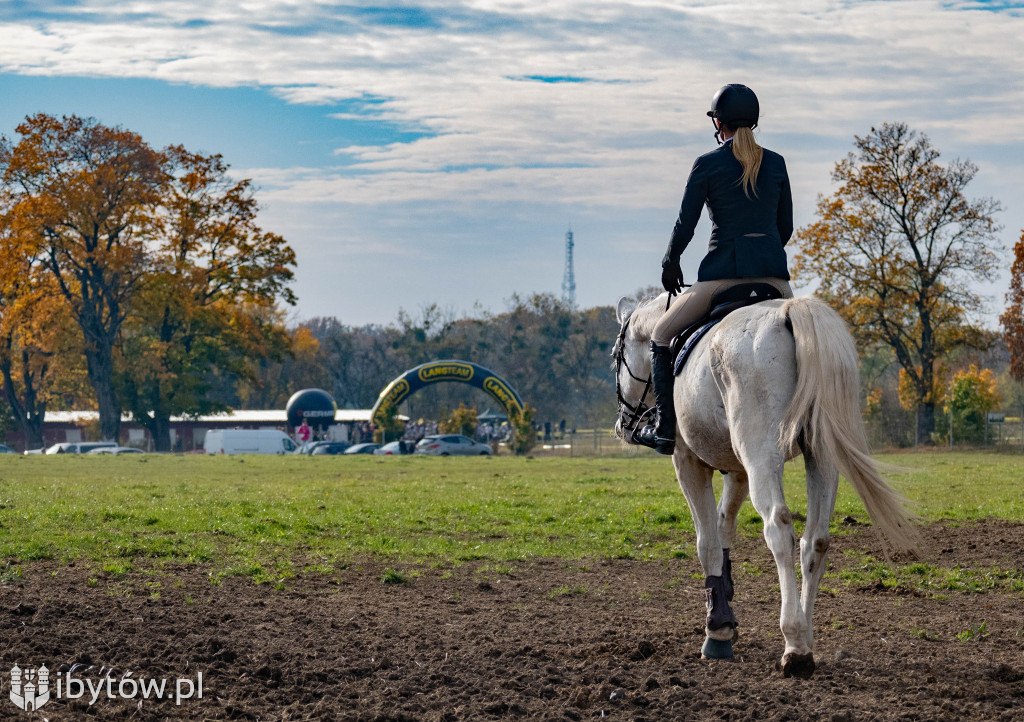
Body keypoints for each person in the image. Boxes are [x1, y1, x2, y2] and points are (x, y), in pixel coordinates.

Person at [638, 84, 795, 456]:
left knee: (660, 334)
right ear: (754, 122)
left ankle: (664, 428)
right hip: (775, 280)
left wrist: (670, 261)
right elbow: (784, 227)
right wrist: (763, 253)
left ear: (718, 122)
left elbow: (686, 224)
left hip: (721, 277)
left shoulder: (707, 164)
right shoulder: (776, 163)